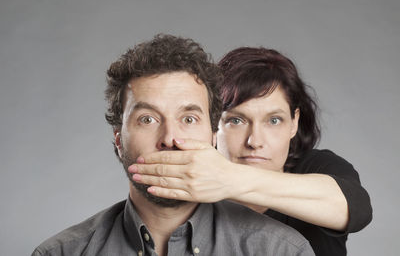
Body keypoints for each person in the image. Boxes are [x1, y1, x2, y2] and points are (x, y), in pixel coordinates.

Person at [32, 36, 315, 256]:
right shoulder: (61, 253)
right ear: (118, 139)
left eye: (189, 118)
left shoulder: (281, 250)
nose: (169, 138)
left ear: (213, 137)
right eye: (147, 119)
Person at [128, 47, 373, 255]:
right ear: (213, 125)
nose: (255, 141)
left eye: (273, 120)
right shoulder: (190, 190)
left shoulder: (318, 167)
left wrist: (226, 179)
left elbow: (356, 210)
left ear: (294, 122)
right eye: (236, 120)